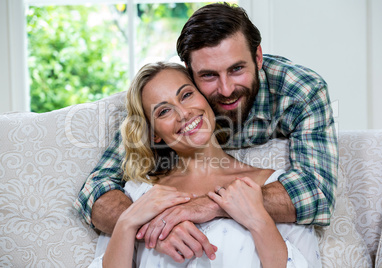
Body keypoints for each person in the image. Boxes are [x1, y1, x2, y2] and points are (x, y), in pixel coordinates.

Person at [75, 2, 338, 262]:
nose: (225, 89)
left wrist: (211, 204)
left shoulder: (299, 91)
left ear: (258, 57)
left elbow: (317, 193)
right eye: (209, 75)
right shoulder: (169, 95)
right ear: (189, 73)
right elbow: (97, 189)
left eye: (236, 69)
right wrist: (154, 225)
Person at [89, 61, 320, 267]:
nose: (184, 114)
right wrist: (129, 222)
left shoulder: (275, 189)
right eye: (164, 111)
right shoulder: (138, 196)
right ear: (154, 134)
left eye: (187, 95)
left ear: (205, 98)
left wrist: (259, 221)